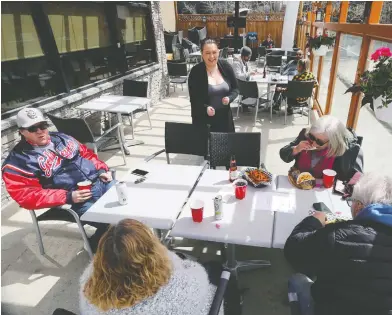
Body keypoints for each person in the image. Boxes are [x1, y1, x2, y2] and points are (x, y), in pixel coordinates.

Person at [2, 108, 114, 248]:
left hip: (99, 181)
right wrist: (68, 196)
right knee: (114, 221)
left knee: (128, 204)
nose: (40, 131)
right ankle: (101, 247)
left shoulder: (62, 138)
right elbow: (25, 195)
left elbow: (87, 155)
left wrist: (102, 169)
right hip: (74, 200)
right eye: (32, 128)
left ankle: (99, 241)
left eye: (42, 126)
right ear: (22, 131)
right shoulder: (18, 161)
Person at [284, 172, 392, 315]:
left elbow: (293, 250)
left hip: (329, 309)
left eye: (351, 201)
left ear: (359, 207)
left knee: (296, 279)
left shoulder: (339, 235)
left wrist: (314, 221)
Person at [80, 219, 222, 315]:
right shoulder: (185, 288)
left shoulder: (88, 289)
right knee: (215, 269)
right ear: (152, 254)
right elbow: (196, 272)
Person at [279, 115, 363, 182]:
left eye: (320, 142)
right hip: (299, 182)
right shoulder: (305, 135)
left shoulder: (345, 151)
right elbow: (283, 155)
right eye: (312, 137)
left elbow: (353, 179)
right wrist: (296, 149)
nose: (314, 143)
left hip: (324, 190)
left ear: (333, 142)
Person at [188, 38, 239, 132]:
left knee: (226, 146)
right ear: (202, 54)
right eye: (207, 53)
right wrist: (205, 108)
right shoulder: (195, 72)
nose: (211, 56)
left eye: (214, 52)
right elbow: (194, 99)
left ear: (218, 52)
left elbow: (235, 89)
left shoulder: (226, 66)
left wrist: (229, 98)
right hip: (204, 122)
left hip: (225, 121)